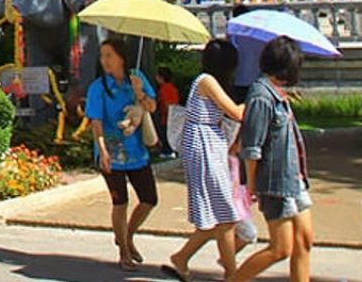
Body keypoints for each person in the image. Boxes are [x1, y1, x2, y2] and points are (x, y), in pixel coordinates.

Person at [165, 39, 251, 281]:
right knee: (224, 216)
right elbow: (235, 112)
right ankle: (231, 273)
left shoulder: (207, 81)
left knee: (217, 218)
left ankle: (182, 258)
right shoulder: (207, 81)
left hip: (208, 145)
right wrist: (258, 97)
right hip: (204, 147)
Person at [229, 37, 314, 282]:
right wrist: (253, 185)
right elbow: (252, 147)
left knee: (304, 239)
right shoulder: (261, 97)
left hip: (294, 179)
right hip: (275, 183)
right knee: (280, 249)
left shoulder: (275, 93)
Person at [88, 36, 158, 270]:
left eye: (109, 55)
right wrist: (102, 151)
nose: (105, 60)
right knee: (120, 202)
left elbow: (152, 107)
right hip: (112, 153)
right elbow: (96, 122)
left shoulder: (136, 78)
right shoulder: (99, 87)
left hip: (137, 152)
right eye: (102, 56)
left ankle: (127, 234)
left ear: (121, 57)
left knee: (149, 199)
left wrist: (141, 94)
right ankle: (124, 252)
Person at [155, 67, 181, 157]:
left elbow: (167, 104)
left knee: (165, 134)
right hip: (174, 116)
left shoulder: (163, 89)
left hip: (166, 117)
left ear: (162, 78)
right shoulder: (173, 88)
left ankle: (167, 151)